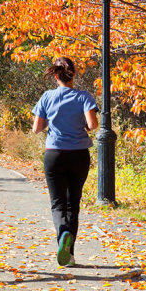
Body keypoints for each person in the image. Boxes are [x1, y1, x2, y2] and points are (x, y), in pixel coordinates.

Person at [32, 57, 99, 267]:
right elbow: (93, 124)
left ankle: (63, 236)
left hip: (54, 154)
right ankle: (69, 254)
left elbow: (37, 128)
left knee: (57, 204)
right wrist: (82, 127)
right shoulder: (84, 97)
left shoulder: (47, 97)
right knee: (73, 204)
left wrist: (52, 122)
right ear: (74, 74)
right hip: (79, 155)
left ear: (55, 75)